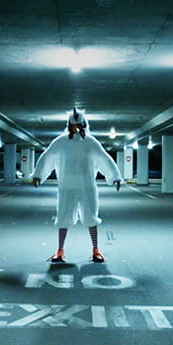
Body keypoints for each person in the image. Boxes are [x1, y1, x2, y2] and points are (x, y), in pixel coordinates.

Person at [32, 108, 123, 263]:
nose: (77, 128)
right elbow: (48, 156)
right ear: (69, 126)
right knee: (63, 216)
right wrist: (38, 175)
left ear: (84, 125)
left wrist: (115, 177)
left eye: (79, 125)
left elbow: (104, 158)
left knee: (91, 216)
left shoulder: (90, 142)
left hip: (87, 186)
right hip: (67, 187)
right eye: (74, 125)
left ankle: (95, 249)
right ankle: (60, 250)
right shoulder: (60, 142)